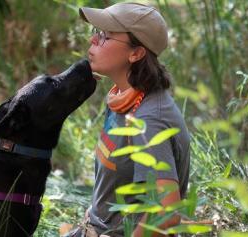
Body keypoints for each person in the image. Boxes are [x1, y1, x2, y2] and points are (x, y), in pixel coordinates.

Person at [64, 2, 191, 237]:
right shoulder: (123, 97)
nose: (93, 41)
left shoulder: (149, 120)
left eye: (105, 35)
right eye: (96, 33)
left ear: (136, 53)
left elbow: (167, 212)